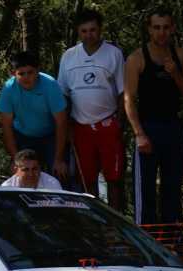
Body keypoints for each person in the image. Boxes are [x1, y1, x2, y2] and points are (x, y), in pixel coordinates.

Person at [124, 5, 183, 224]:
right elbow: (128, 99)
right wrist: (139, 134)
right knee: (145, 190)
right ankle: (146, 241)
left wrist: (175, 73)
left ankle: (173, 242)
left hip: (173, 126)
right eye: (156, 27)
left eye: (165, 27)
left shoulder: (180, 55)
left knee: (172, 187)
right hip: (147, 127)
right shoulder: (137, 58)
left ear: (172, 28)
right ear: (149, 29)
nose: (161, 32)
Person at [58, 8, 125, 208]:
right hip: (80, 127)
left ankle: (117, 223)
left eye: (93, 30)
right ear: (78, 32)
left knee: (114, 178)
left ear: (100, 29)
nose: (89, 35)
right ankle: (95, 225)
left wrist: (120, 124)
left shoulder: (113, 53)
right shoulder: (69, 56)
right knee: (86, 180)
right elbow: (63, 94)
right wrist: (67, 125)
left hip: (108, 123)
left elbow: (123, 92)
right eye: (84, 31)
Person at [0, 51, 68, 180]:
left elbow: (61, 122)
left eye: (30, 72)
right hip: (23, 136)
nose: (26, 77)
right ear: (13, 73)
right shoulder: (8, 89)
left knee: (59, 172)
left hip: (50, 135)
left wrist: (58, 159)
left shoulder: (50, 85)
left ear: (37, 71)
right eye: (21, 74)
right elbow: (6, 126)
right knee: (21, 174)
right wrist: (15, 159)